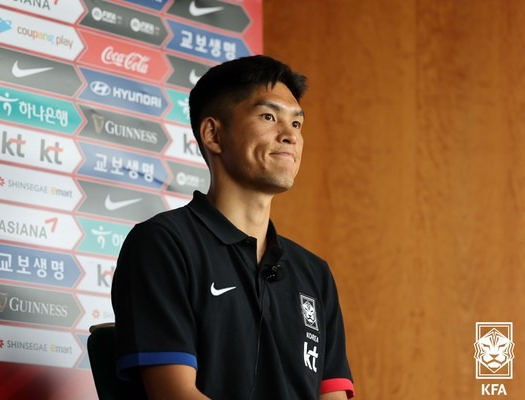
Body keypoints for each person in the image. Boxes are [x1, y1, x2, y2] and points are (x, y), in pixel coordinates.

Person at [111, 55, 355, 399]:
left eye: (297, 124)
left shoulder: (314, 273)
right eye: (269, 117)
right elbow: (174, 393)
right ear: (213, 134)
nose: (290, 136)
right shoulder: (163, 244)